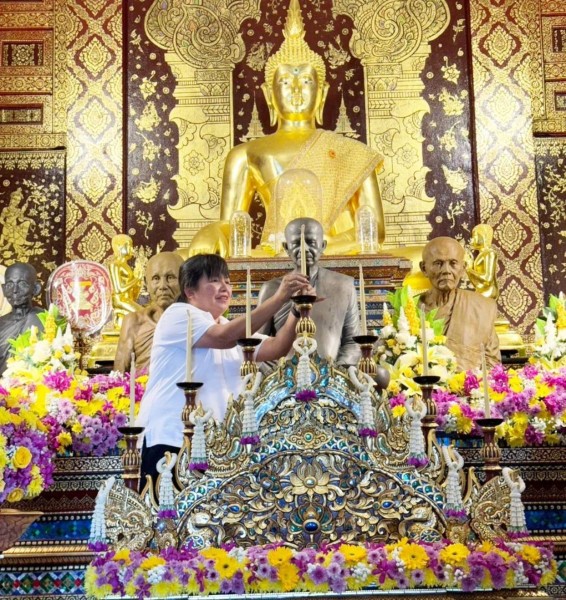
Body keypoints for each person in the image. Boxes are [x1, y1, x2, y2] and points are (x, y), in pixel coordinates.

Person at [187, 0, 385, 257]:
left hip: (335, 252)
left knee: (416, 260)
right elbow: (231, 225)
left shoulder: (352, 153)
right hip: (275, 254)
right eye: (285, 82)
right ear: (268, 94)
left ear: (322, 93)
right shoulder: (245, 154)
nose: (296, 90)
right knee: (183, 259)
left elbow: (375, 230)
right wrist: (211, 231)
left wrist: (324, 245)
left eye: (306, 80)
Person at [136, 253, 312, 487]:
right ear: (190, 291)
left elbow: (277, 347)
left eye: (227, 282)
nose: (224, 288)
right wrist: (279, 297)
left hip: (216, 442)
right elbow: (224, 338)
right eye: (214, 281)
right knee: (166, 508)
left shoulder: (226, 326)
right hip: (172, 436)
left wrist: (296, 310)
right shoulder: (178, 315)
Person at [257, 217, 361, 365]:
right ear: (286, 247)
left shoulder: (343, 285)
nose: (304, 249)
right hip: (283, 374)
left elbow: (352, 343)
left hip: (332, 373)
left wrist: (337, 372)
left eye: (311, 242)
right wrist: (278, 374)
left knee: (381, 374)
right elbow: (258, 345)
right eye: (296, 243)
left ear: (323, 245)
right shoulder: (272, 289)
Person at [419, 236, 500, 371]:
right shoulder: (409, 310)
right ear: (424, 268)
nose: (446, 270)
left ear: (463, 268)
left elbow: (492, 364)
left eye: (453, 263)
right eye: (438, 263)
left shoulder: (482, 308)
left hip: (470, 383)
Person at [114, 251, 184, 372]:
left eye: (170, 277)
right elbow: (118, 375)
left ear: (184, 281)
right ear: (146, 283)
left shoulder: (193, 321)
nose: (163, 286)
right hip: (142, 384)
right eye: (156, 278)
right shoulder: (134, 321)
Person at [0, 262, 43, 374]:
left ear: (36, 289)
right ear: (3, 289)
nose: (14, 290)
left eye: (22, 284)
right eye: (9, 285)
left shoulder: (46, 321)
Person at [108, 234, 143, 329]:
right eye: (129, 246)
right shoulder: (115, 265)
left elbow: (134, 293)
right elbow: (118, 289)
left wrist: (138, 282)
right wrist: (136, 279)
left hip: (128, 299)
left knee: (145, 313)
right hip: (120, 300)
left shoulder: (127, 266)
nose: (131, 249)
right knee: (143, 316)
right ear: (120, 246)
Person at [465, 224, 499, 299]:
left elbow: (488, 279)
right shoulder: (480, 255)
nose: (472, 240)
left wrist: (468, 269)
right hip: (480, 292)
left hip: (488, 292)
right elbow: (477, 283)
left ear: (484, 236)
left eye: (474, 236)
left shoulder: (489, 253)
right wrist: (469, 267)